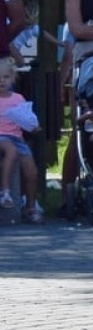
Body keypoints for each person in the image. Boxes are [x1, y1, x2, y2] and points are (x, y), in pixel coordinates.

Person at [0, 57, 43, 222]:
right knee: (10, 150)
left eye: (5, 77)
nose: (1, 81)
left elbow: (27, 119)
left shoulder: (18, 98)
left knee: (32, 172)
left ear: (12, 78)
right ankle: (5, 192)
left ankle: (30, 206)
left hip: (17, 137)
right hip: (1, 136)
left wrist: (33, 126)